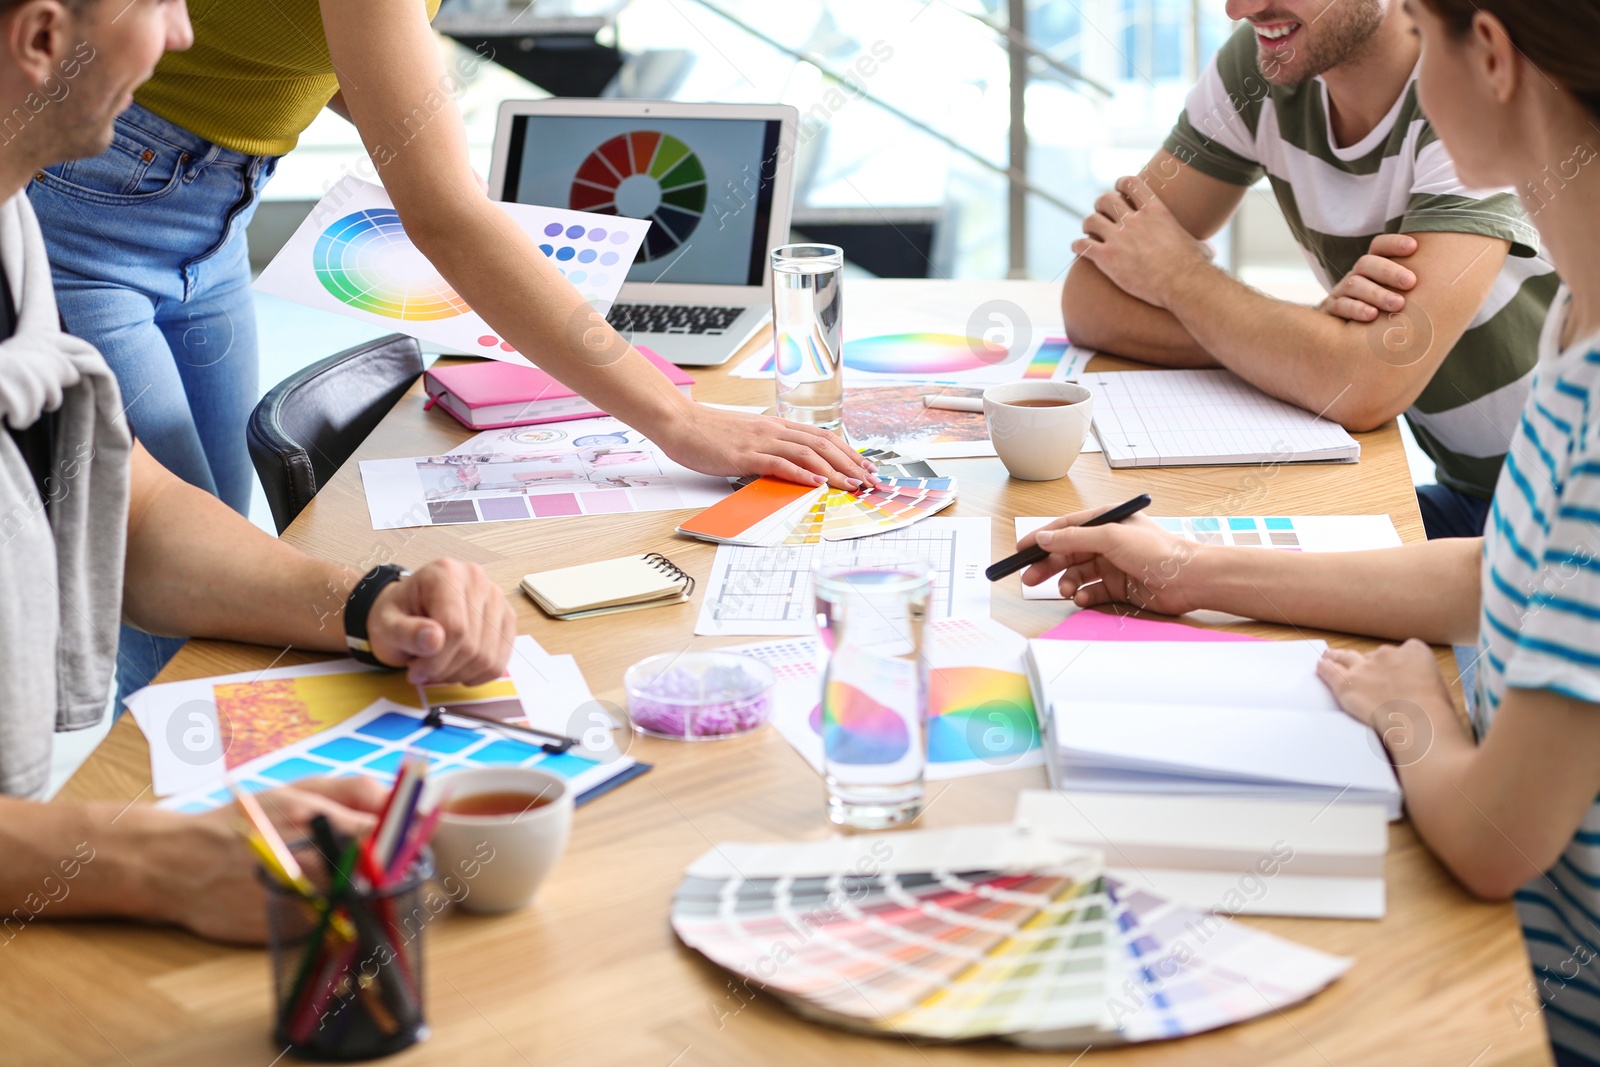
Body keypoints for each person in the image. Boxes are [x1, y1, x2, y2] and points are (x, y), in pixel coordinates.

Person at [1024, 2, 1600, 1058]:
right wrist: (1186, 568)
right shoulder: (1580, 333)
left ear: (1487, 54)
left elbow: (1488, 843)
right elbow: (1502, 571)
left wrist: (1414, 707)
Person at [26, 0, 875, 697]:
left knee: (206, 560)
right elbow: (441, 216)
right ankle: (144, 837)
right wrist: (677, 418)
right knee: (155, 603)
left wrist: (438, 152)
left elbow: (306, 46)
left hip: (212, 207)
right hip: (85, 197)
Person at [0, 0, 515, 943]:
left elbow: (130, 509)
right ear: (39, 39)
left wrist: (367, 601)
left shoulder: (12, 232)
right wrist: (148, 860)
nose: (188, 34)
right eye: (161, 3)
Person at [1063, 0, 1558, 541]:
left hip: (1562, 523)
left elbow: (1365, 383)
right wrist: (1301, 345)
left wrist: (1183, 280)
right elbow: (1090, 297)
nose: (1238, 9)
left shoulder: (1473, 82)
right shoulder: (1266, 59)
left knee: (1208, 577)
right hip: (1481, 503)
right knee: (1164, 559)